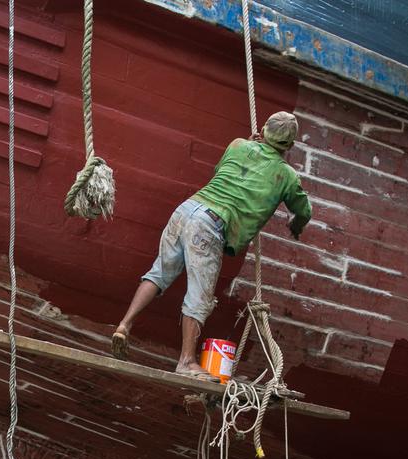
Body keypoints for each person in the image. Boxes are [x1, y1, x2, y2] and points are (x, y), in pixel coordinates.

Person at [111, 111, 312, 379]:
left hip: (187, 209)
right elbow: (304, 211)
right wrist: (296, 226)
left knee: (160, 273)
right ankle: (185, 362)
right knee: (200, 296)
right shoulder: (287, 176)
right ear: (290, 146)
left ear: (262, 131)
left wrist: (252, 144)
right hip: (210, 225)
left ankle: (124, 325)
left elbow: (221, 171)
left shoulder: (238, 144)